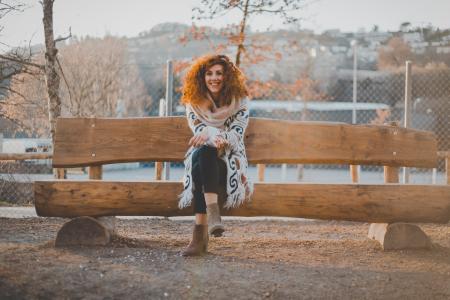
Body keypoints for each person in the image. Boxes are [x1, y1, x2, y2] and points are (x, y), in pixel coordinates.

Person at [179, 54, 253, 256]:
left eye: (219, 73)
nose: (214, 78)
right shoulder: (193, 102)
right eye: (209, 74)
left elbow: (236, 135)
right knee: (204, 153)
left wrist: (215, 135)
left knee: (204, 157)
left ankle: (198, 235)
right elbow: (199, 133)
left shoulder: (240, 102)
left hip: (228, 163)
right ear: (202, 77)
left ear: (227, 76)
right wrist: (212, 135)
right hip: (204, 161)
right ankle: (212, 217)